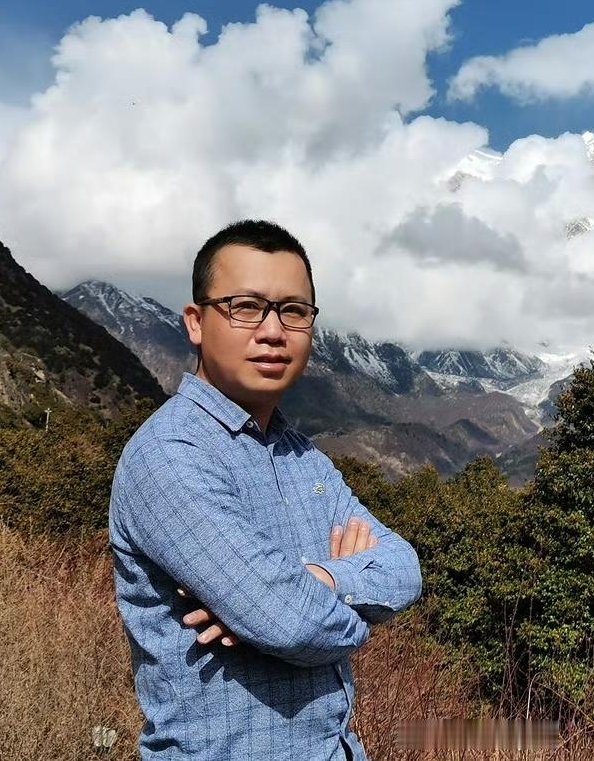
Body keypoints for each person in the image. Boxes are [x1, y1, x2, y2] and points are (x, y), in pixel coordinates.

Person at [109, 219, 423, 760]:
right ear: (196, 322)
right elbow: (292, 623)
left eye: (293, 311)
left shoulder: (302, 456)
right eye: (246, 307)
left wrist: (320, 580)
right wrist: (353, 611)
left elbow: (405, 568)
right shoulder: (171, 455)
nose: (273, 331)